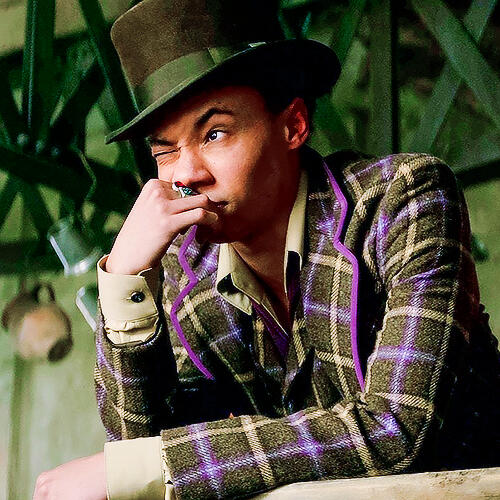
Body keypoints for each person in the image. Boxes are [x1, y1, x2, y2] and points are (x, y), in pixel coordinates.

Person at [32, 0, 500, 499]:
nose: (185, 175)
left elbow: (398, 427)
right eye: (165, 151)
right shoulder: (185, 272)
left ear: (293, 124)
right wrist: (124, 281)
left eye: (214, 134)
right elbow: (141, 459)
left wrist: (151, 463)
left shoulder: (404, 199)